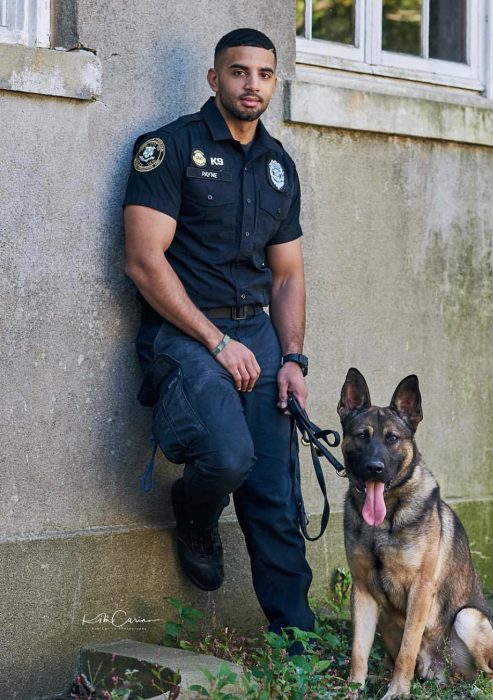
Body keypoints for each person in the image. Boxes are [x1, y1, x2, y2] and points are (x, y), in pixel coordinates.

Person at [123, 28, 315, 635]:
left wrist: (292, 359)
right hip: (185, 333)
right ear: (215, 79)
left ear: (273, 83)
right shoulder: (168, 148)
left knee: (275, 498)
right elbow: (143, 261)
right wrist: (215, 341)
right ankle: (193, 509)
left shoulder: (279, 167)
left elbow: (286, 277)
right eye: (238, 72)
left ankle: (297, 641)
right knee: (230, 458)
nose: (250, 85)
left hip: (257, 336)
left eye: (263, 74)